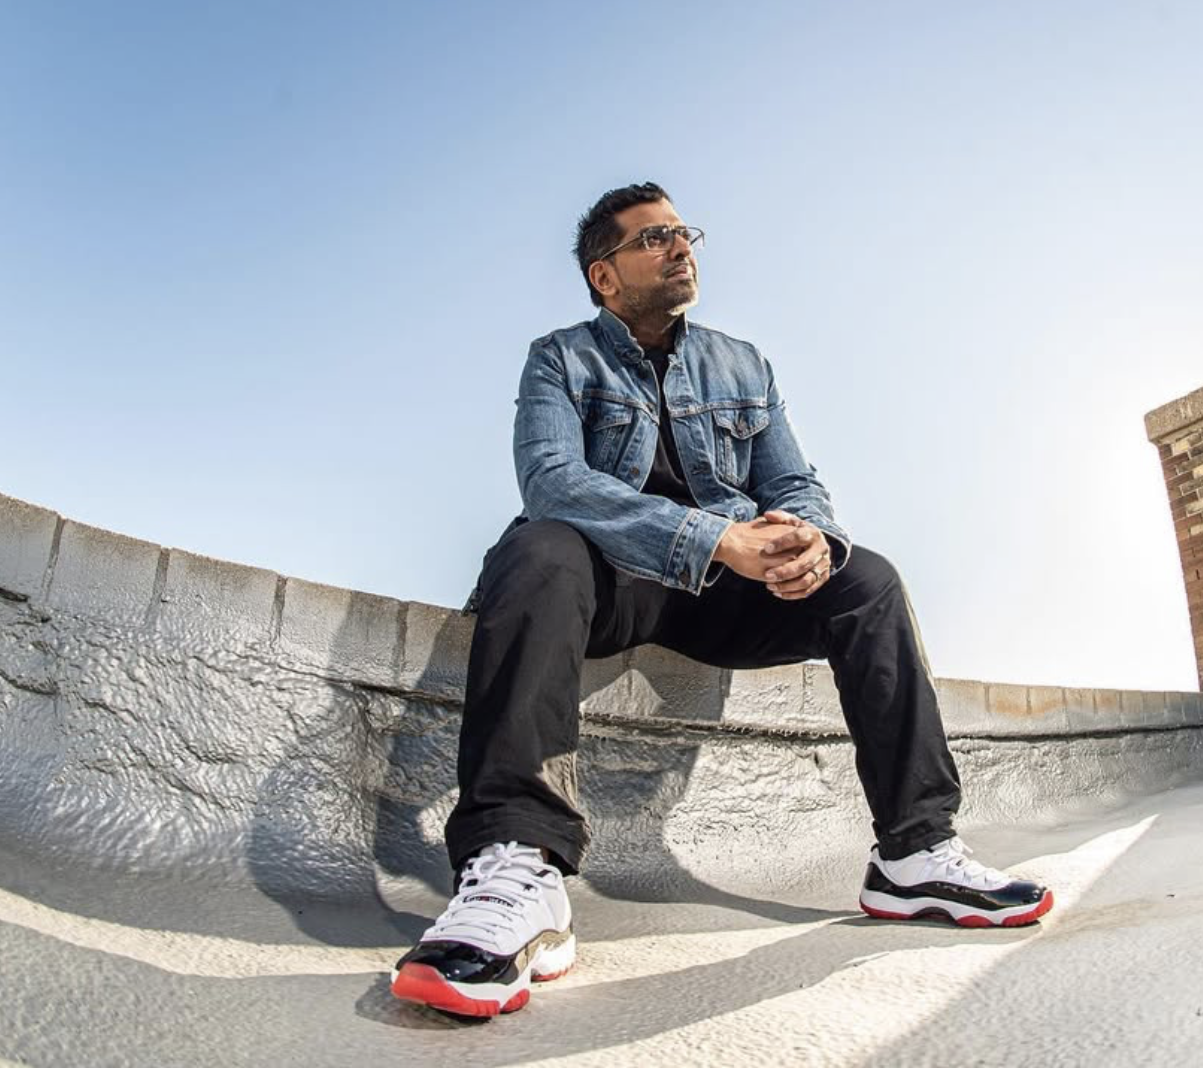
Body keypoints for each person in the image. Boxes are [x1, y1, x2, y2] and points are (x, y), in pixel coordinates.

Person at [389, 182, 1052, 1018]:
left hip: (723, 596)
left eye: (684, 232)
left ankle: (915, 852)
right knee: (540, 543)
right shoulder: (560, 358)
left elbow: (794, 481)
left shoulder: (744, 363)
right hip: (611, 584)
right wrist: (711, 538)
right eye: (655, 237)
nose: (681, 246)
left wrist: (810, 537)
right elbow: (552, 480)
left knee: (868, 578)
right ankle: (519, 869)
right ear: (605, 275)